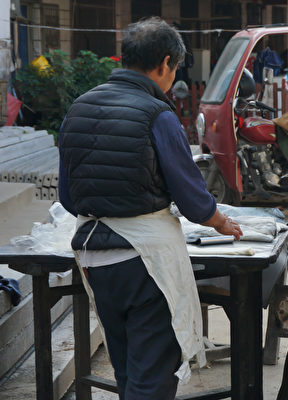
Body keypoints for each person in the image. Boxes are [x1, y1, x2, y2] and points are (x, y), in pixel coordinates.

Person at [58, 18, 242, 399]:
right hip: (144, 263)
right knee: (154, 375)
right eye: (174, 69)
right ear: (165, 63)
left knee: (127, 369)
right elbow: (192, 199)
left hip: (94, 258)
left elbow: (69, 198)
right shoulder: (157, 114)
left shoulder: (79, 107)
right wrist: (219, 220)